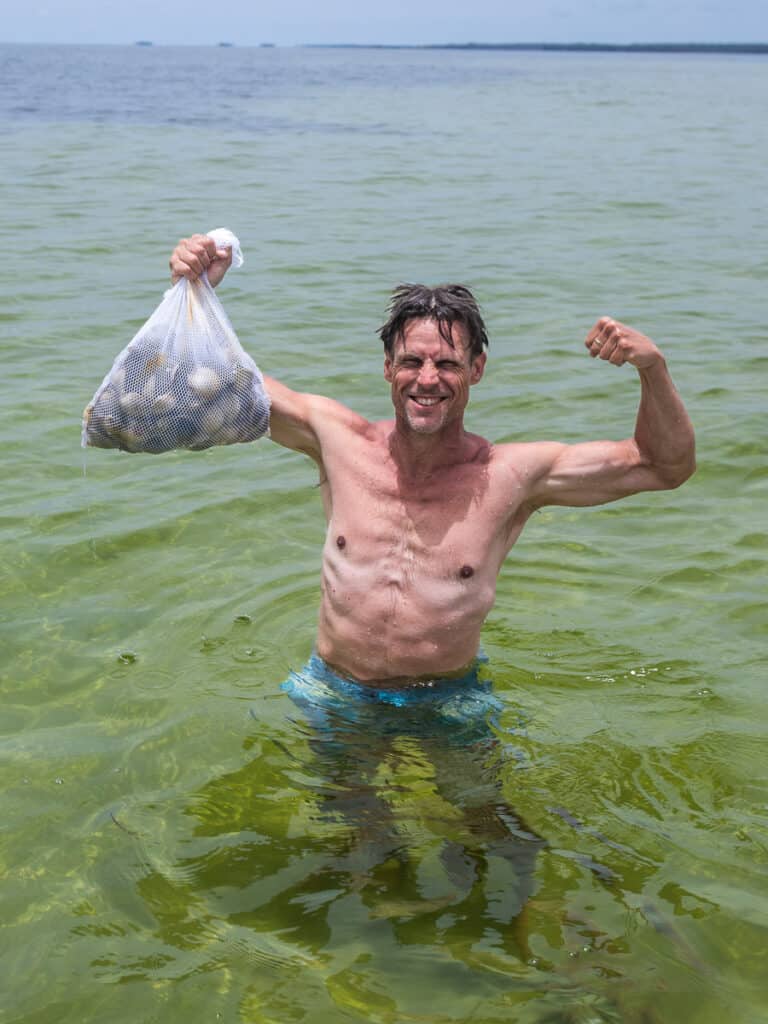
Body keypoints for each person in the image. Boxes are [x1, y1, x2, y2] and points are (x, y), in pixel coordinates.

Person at [169, 235, 696, 687]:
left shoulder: (512, 476)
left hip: (446, 700)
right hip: (337, 690)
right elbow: (209, 378)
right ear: (386, 368)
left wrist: (653, 368)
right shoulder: (336, 440)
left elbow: (661, 465)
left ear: (477, 368)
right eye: (411, 362)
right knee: (343, 810)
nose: (427, 379)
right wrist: (196, 288)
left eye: (447, 363)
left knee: (483, 811)